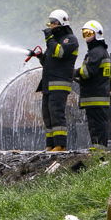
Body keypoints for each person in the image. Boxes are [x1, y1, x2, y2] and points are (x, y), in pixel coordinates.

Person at [31, 9, 79, 151]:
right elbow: (48, 62)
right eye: (50, 23)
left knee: (56, 113)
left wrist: (49, 39)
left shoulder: (70, 39)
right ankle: (50, 144)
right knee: (47, 114)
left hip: (59, 83)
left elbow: (60, 53)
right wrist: (39, 56)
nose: (50, 25)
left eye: (53, 23)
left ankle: (60, 144)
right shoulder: (54, 41)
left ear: (61, 23)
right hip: (48, 83)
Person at [75, 20, 111, 149]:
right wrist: (110, 86)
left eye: (89, 33)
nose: (86, 37)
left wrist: (73, 72)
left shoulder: (95, 52)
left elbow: (86, 73)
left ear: (97, 34)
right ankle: (98, 150)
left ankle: (99, 153)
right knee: (98, 126)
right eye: (84, 34)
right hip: (99, 97)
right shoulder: (103, 52)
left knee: (97, 127)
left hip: (94, 97)